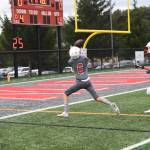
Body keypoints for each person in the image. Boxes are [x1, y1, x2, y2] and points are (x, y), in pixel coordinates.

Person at [57, 39, 120, 117]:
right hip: (87, 81)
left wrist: (74, 47)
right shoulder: (84, 58)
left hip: (80, 82)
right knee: (97, 98)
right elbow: (82, 56)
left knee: (65, 93)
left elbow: (73, 56)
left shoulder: (70, 61)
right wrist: (78, 49)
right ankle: (111, 104)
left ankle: (66, 112)